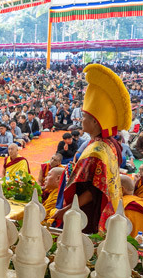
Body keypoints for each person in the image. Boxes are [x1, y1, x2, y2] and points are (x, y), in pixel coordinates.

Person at [53, 64, 130, 234]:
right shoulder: (111, 143)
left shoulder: (98, 151)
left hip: (87, 213)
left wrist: (65, 211)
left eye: (85, 117)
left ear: (96, 122)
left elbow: (92, 192)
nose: (81, 120)